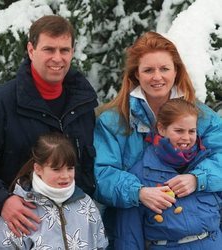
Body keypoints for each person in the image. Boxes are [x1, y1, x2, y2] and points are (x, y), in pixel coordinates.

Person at [0, 15, 98, 249]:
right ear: (31, 50)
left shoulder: (83, 104)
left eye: (64, 50)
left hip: (78, 235)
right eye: (48, 49)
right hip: (18, 233)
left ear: (73, 51)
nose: (57, 58)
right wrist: (1, 201)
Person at [93, 31, 222, 248]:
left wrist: (197, 178)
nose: (157, 77)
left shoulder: (200, 115)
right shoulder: (113, 121)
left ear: (176, 71)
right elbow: (101, 174)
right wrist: (138, 192)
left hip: (202, 230)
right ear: (136, 74)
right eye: (148, 70)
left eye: (164, 69)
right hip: (139, 231)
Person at [115, 98, 222, 249]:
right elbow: (129, 236)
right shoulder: (140, 175)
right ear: (162, 129)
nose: (186, 138)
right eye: (179, 131)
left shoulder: (207, 166)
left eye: (192, 131)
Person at [0, 132, 108, 249]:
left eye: (70, 168)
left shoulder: (86, 204)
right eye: (56, 169)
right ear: (38, 169)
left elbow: (100, 244)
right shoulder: (19, 210)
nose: (65, 176)